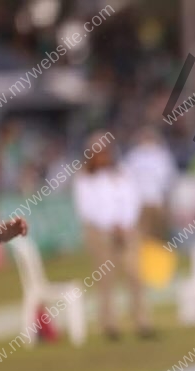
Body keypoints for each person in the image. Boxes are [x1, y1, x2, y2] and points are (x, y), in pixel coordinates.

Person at [72, 131, 154, 339]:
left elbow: (132, 199)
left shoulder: (121, 173)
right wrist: (111, 225)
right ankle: (108, 324)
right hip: (100, 232)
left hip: (126, 230)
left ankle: (142, 321)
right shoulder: (85, 178)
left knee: (135, 274)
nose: (102, 157)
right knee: (106, 278)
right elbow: (88, 209)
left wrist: (124, 223)